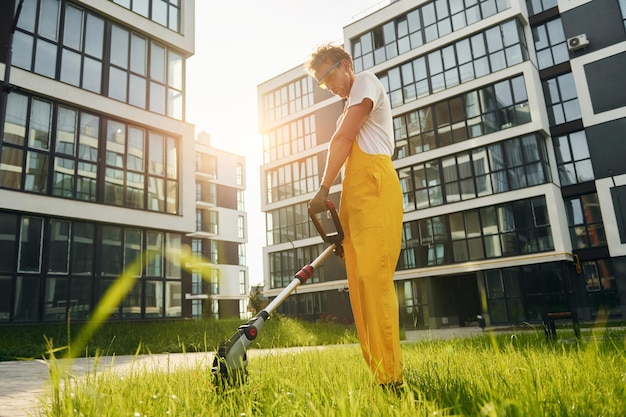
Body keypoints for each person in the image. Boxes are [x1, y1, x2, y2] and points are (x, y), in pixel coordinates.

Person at [305, 43, 404, 389]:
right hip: (354, 197)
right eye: (321, 83)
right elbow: (344, 140)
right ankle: (380, 375)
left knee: (374, 280)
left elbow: (343, 138)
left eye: (328, 77)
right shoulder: (347, 104)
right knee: (360, 288)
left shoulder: (365, 82)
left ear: (345, 65)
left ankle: (393, 376)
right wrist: (342, 223)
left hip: (375, 185)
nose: (327, 87)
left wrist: (322, 188)